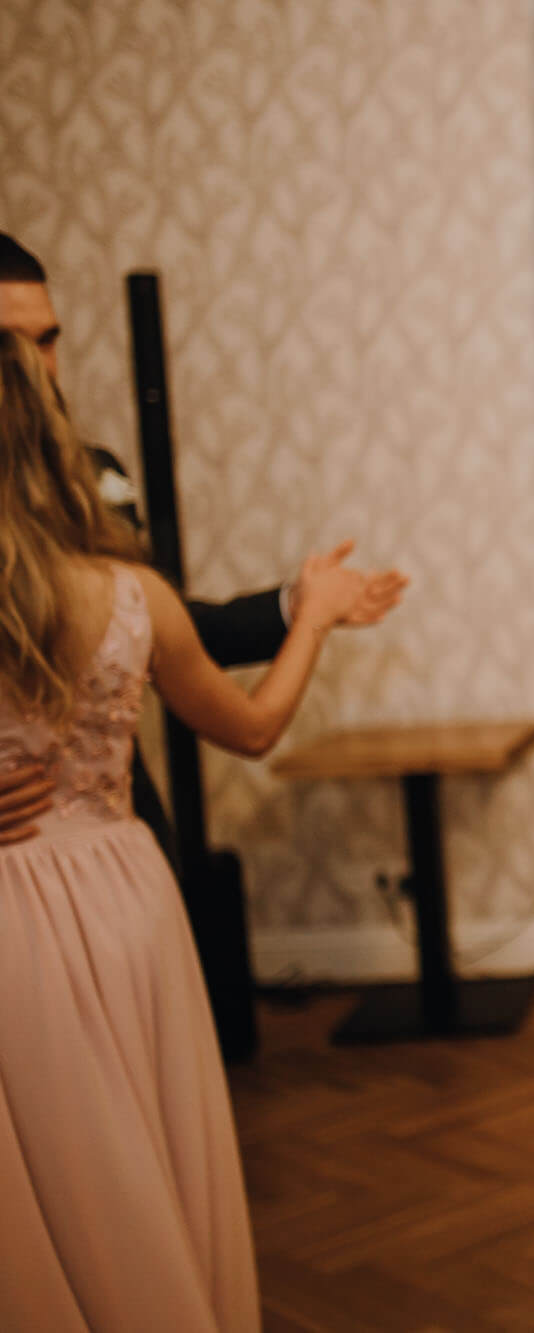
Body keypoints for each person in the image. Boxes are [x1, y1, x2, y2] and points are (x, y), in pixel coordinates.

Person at [0, 327, 368, 1330]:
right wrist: (312, 618)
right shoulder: (131, 597)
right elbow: (253, 728)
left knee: (44, 1168)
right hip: (124, 895)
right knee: (142, 1143)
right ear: (53, 446)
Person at [0, 231, 406, 864]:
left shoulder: (90, 476)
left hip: (111, 842)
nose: (36, 369)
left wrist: (297, 606)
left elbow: (153, 627)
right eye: (10, 345)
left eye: (47, 340)